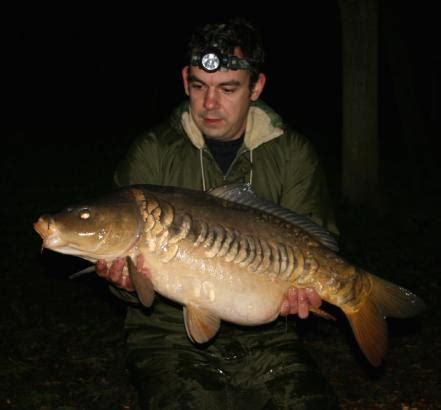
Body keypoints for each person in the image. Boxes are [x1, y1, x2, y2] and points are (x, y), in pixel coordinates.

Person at [97, 17, 339, 409]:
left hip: (269, 337)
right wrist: (120, 282)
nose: (210, 104)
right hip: (167, 335)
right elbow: (124, 272)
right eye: (199, 87)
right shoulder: (152, 153)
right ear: (184, 81)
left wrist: (307, 296)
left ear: (256, 87)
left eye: (228, 89)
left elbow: (320, 243)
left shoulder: (292, 154)